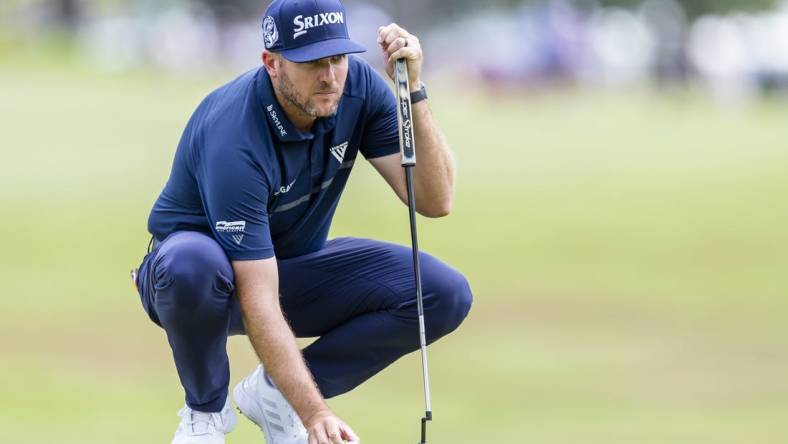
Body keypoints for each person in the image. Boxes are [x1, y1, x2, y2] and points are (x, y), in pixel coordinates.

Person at [132, 0, 472, 443]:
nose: (329, 76)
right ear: (271, 64)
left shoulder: (359, 91)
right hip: (199, 284)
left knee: (443, 292)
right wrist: (314, 415)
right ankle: (205, 413)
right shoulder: (234, 137)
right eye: (312, 63)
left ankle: (273, 392)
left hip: (288, 268)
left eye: (336, 59)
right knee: (191, 263)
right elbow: (257, 296)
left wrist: (414, 92)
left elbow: (434, 198)